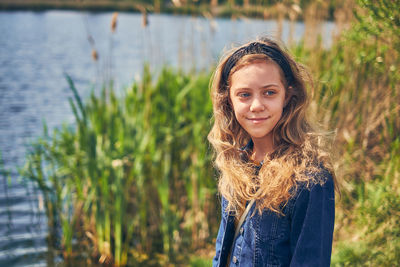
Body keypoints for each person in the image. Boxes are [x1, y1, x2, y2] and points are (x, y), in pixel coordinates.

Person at [208, 37, 337, 267]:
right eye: (244, 94)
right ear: (229, 100)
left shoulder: (309, 179)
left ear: (287, 95)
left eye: (269, 92)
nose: (256, 105)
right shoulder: (236, 163)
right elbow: (223, 253)